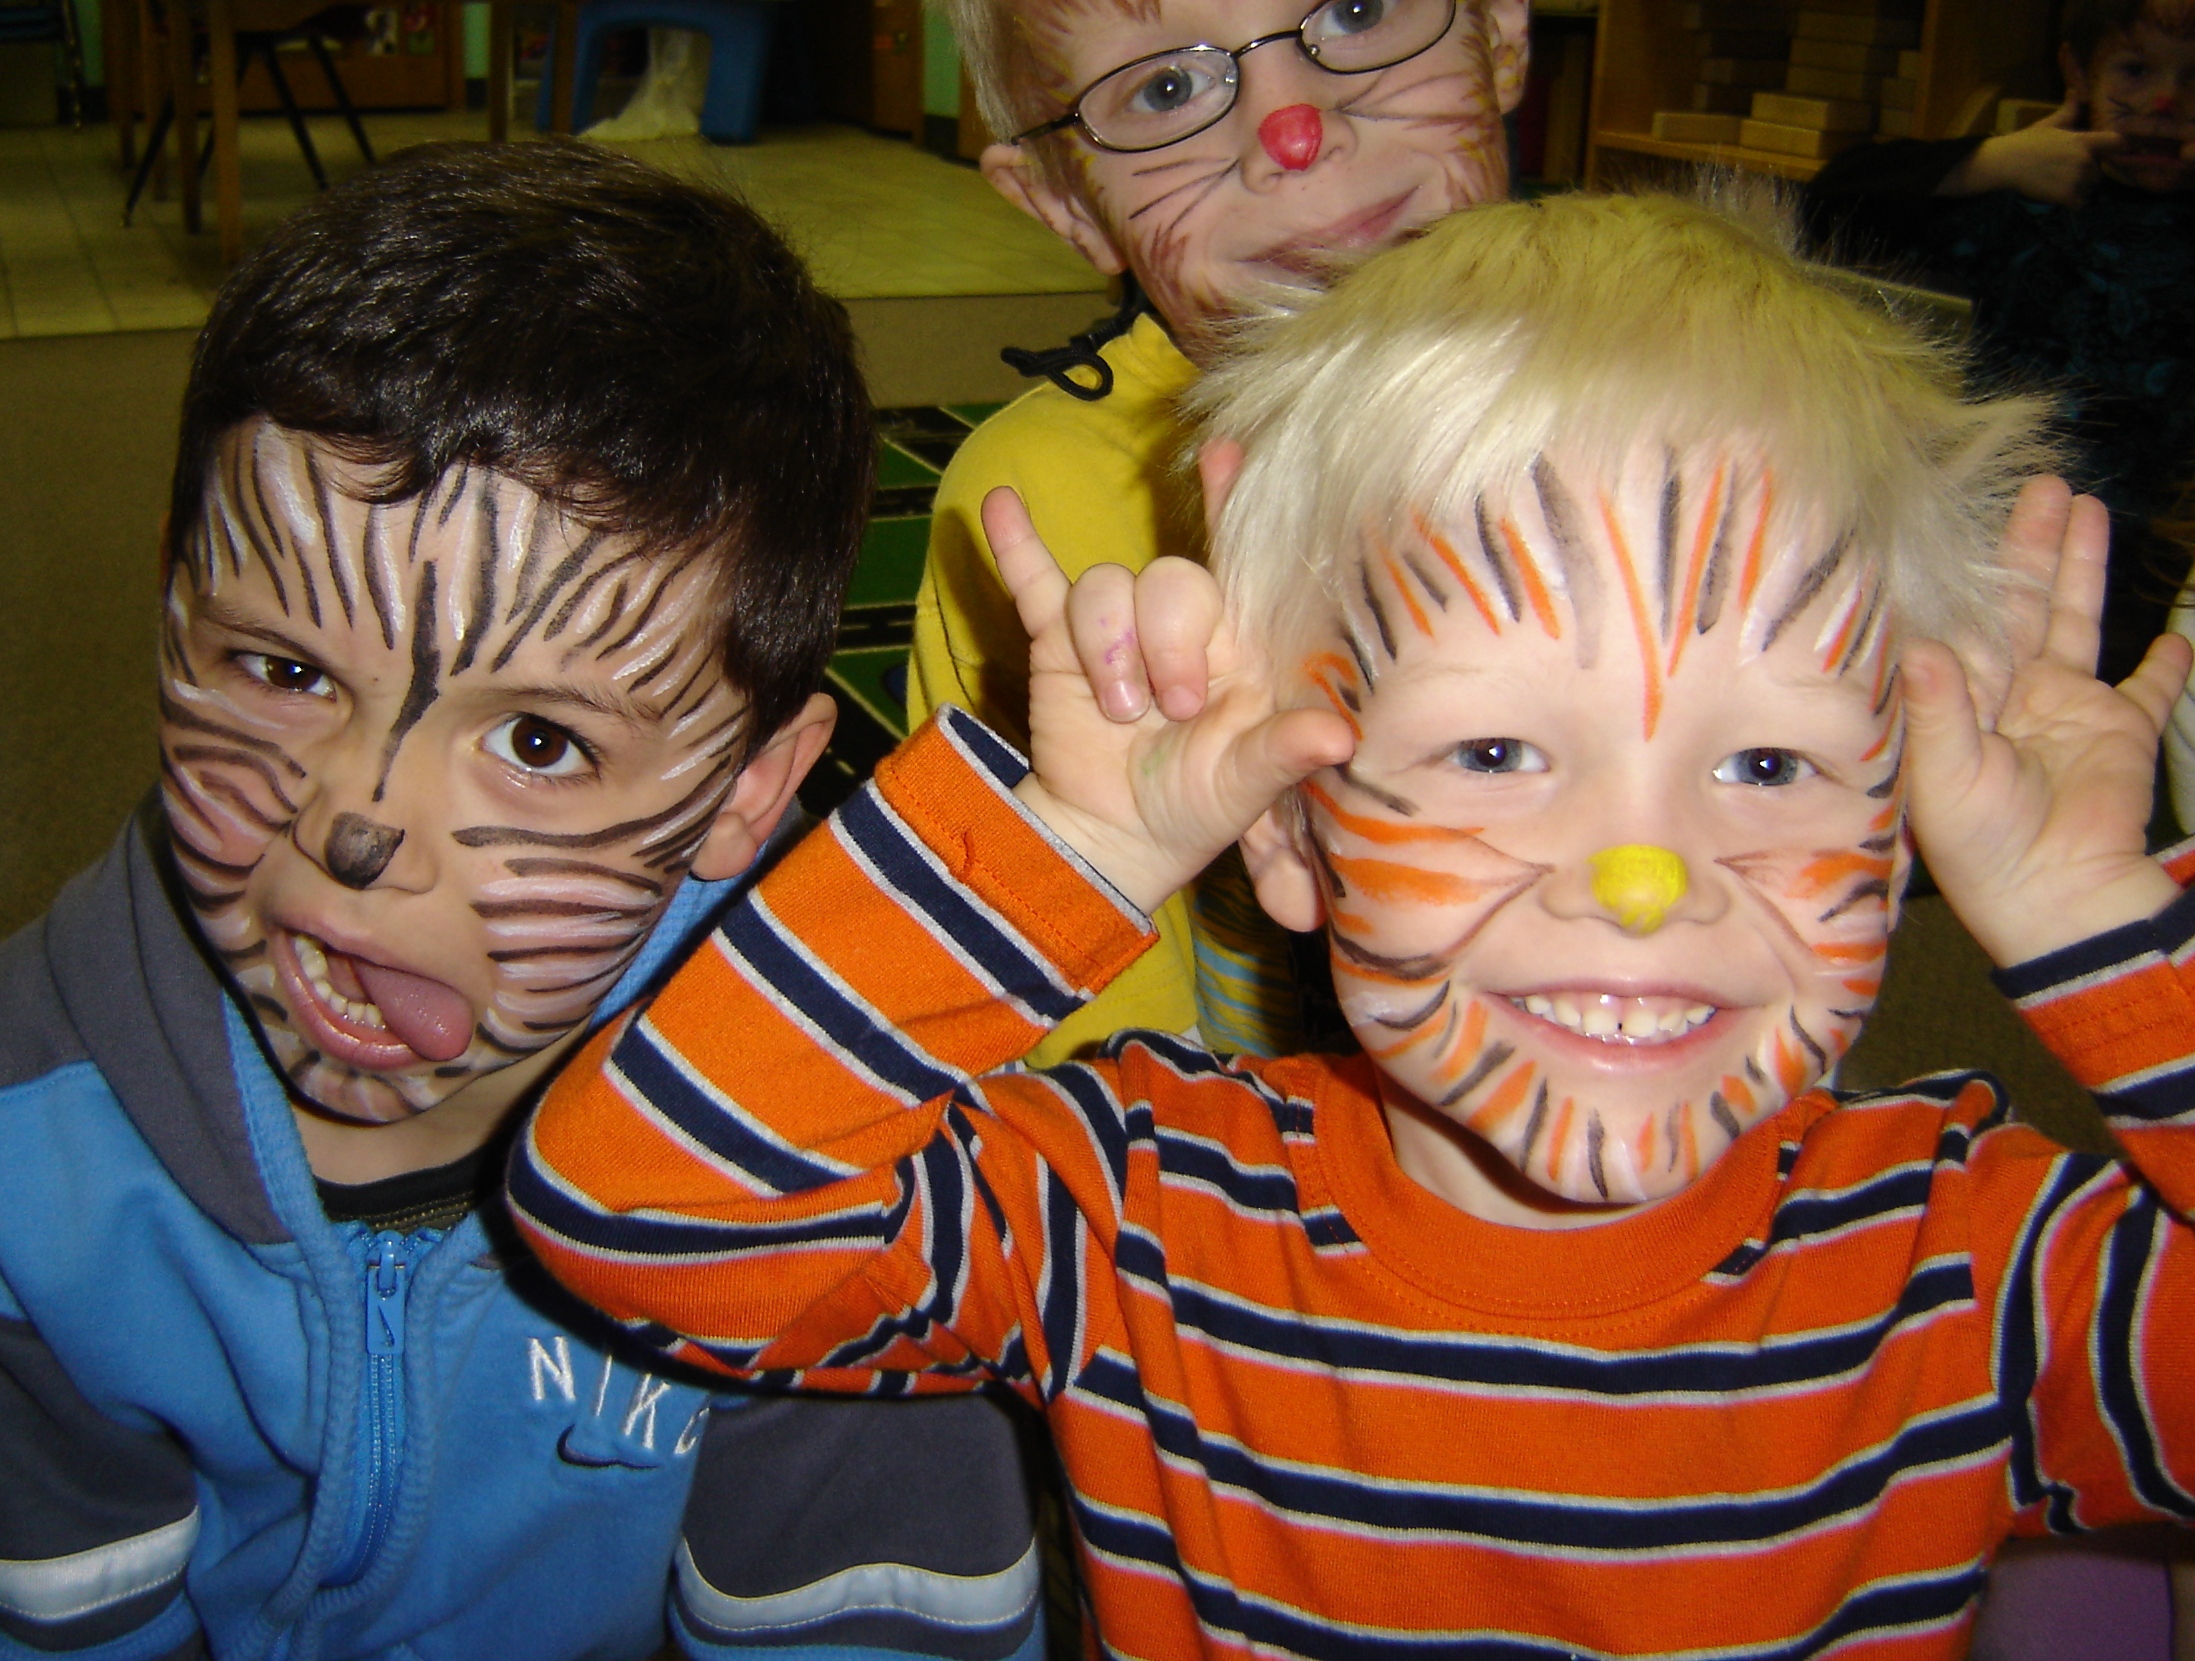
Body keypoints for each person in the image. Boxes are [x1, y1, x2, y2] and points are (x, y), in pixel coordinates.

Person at [512, 189, 2195, 1658]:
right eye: (1496, 748)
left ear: (1900, 831)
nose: (1641, 874)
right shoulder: (1140, 1215)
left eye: (1766, 759)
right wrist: (1077, 847)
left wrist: (2093, 922)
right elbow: (639, 1214)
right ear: (1296, 834)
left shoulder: (1977, 1265)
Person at [0, 141, 1044, 1661]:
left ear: (749, 792)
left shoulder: (835, 1176)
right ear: (172, 601)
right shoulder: (35, 1147)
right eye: (284, 671)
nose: (359, 828)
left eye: (540, 742)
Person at [908, 0, 1529, 1060]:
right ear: (1065, 201)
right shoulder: (1031, 514)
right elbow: (1065, 1055)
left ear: (1501, 31)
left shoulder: (1707, 407)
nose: (1295, 129)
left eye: (1356, 10)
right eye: (1166, 89)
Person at [1802, 0, 2195, 687]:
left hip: (2158, 569)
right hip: (1994, 536)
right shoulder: (2031, 195)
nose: (2165, 103)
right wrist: (1989, 162)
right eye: (2134, 71)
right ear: (2077, 69)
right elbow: (1827, 206)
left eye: (2194, 80)